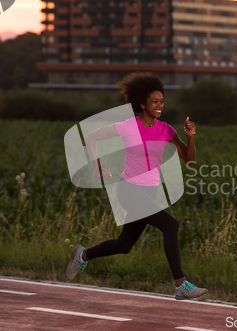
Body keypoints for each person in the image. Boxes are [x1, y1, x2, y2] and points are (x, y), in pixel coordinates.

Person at [66, 72, 208, 301]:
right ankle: (180, 284)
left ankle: (82, 255)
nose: (160, 105)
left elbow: (189, 160)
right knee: (171, 226)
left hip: (149, 192)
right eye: (155, 101)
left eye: (162, 101)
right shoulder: (128, 126)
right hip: (129, 190)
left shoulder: (166, 129)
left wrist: (190, 137)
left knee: (124, 244)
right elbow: (91, 137)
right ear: (142, 104)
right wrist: (98, 168)